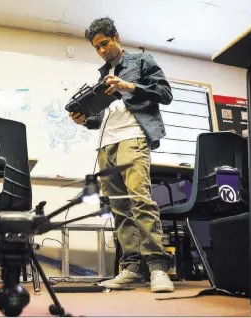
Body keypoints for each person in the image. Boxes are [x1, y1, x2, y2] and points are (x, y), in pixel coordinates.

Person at [70, 17, 174, 293]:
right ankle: (130, 268)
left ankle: (157, 268)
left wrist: (130, 87)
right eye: (97, 47)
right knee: (118, 208)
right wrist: (85, 120)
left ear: (116, 36)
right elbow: (103, 116)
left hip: (134, 137)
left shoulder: (141, 61)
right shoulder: (102, 75)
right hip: (107, 144)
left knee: (140, 200)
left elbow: (165, 94)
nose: (102, 50)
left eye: (105, 43)